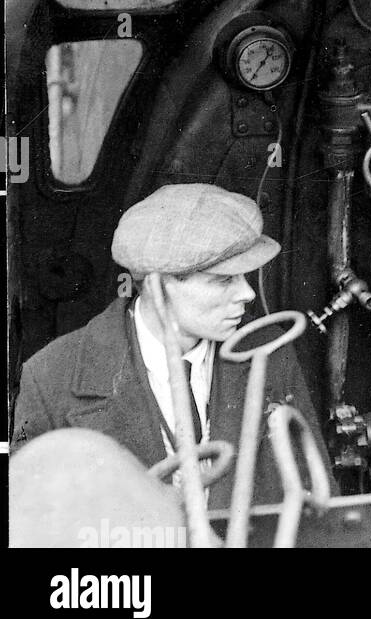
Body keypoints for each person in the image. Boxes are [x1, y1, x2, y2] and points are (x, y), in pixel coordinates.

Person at [11, 183, 329, 506]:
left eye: (245, 277)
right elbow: (29, 523)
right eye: (223, 280)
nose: (247, 294)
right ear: (157, 285)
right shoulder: (50, 377)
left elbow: (319, 509)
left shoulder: (269, 352)